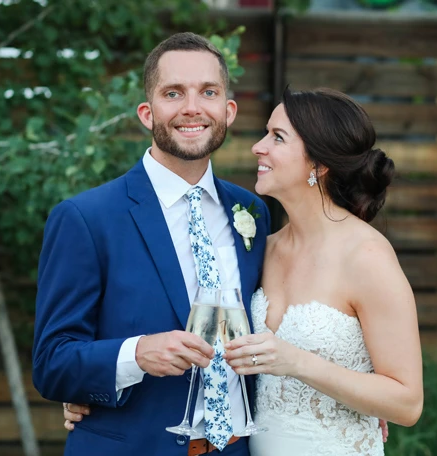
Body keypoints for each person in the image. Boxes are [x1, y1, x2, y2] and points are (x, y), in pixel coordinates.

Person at [63, 87, 418, 456]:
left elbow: (407, 403)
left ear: (320, 164)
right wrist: (96, 382)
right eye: (266, 132)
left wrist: (303, 365)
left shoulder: (368, 255)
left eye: (277, 137)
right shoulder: (264, 245)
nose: (258, 147)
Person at [32, 32, 270, 456]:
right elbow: (52, 363)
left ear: (228, 111)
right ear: (147, 112)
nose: (192, 108)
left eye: (208, 92)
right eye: (173, 93)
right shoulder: (86, 218)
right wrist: (134, 355)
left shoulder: (252, 212)